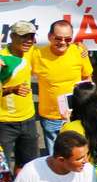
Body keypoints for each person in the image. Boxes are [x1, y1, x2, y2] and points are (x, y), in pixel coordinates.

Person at [30, 20, 93, 155]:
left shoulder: (79, 51)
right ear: (49, 37)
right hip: (51, 116)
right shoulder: (37, 55)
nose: (63, 42)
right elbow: (20, 67)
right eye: (58, 38)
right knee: (55, 157)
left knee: (77, 153)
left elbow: (88, 79)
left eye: (68, 39)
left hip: (76, 114)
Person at [0, 21, 37, 173]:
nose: (28, 40)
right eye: (23, 36)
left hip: (28, 119)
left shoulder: (32, 51)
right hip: (4, 122)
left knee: (26, 165)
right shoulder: (3, 59)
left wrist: (82, 47)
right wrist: (11, 89)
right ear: (12, 36)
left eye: (31, 36)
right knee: (3, 168)